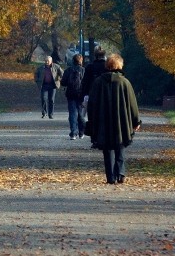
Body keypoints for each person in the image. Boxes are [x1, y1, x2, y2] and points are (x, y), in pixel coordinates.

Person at [86, 53, 141, 184]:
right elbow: (133, 103)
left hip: (103, 121)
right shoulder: (125, 83)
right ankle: (120, 173)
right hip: (121, 121)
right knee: (120, 146)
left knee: (107, 149)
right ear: (119, 65)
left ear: (107, 65)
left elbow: (92, 104)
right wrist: (135, 121)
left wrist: (92, 121)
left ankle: (110, 176)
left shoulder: (98, 82)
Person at [60, 53, 85, 139]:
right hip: (80, 94)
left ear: (73, 61)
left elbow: (63, 82)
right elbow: (86, 82)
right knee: (80, 113)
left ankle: (73, 132)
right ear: (81, 61)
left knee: (72, 113)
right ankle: (81, 132)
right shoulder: (83, 70)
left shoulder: (68, 70)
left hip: (70, 94)